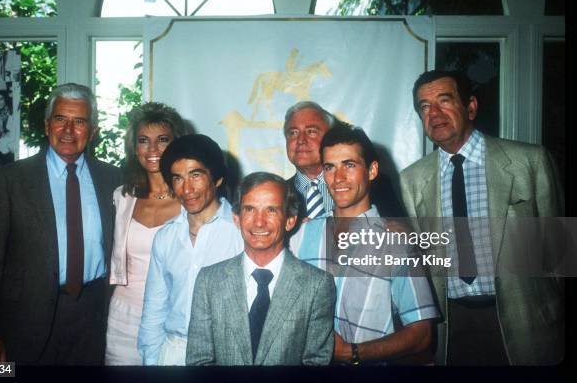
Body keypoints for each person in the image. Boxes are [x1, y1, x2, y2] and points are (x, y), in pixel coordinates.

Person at [400, 70, 565, 365]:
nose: (434, 113)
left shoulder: (530, 161)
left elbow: (560, 256)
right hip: (450, 328)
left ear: (471, 107)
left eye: (444, 100)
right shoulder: (411, 180)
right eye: (424, 106)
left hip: (526, 322)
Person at [0, 83, 121, 364]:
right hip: (26, 321)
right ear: (47, 126)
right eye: (60, 119)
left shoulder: (113, 180)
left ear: (92, 132)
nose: (68, 130)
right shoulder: (10, 180)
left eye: (79, 121)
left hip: (93, 319)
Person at [289, 123, 439, 365]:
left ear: (372, 170)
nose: (338, 178)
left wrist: (351, 352)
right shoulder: (303, 234)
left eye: (349, 165)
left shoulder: (396, 243)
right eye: (330, 167)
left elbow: (421, 335)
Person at [186, 172, 336, 365]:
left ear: (290, 220)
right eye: (250, 209)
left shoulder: (316, 285)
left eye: (271, 210)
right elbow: (199, 361)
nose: (259, 221)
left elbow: (317, 364)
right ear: (237, 219)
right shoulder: (209, 281)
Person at [138, 134, 244, 365]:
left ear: (216, 179)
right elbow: (154, 308)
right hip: (173, 351)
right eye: (178, 178)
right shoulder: (166, 237)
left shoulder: (241, 232)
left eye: (195, 175)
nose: (187, 188)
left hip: (225, 355)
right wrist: (151, 360)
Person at [105, 102, 187, 365]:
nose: (152, 149)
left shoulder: (192, 201)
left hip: (173, 318)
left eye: (162, 140)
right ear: (134, 148)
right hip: (122, 317)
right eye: (143, 140)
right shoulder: (122, 198)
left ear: (176, 144)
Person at [284, 101, 335, 220]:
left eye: (311, 131)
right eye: (293, 133)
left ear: (331, 138)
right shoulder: (276, 196)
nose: (301, 140)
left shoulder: (368, 189)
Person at [0, 89, 17, 166]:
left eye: (1, 99)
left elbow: (11, 129)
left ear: (5, 99)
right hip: (4, 138)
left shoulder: (11, 110)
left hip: (12, 138)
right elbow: (0, 131)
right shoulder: (0, 113)